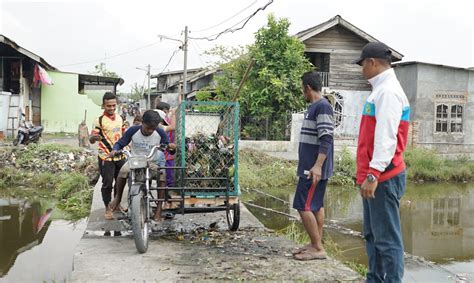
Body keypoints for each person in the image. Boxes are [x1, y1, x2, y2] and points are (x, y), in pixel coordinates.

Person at [352, 42, 410, 282]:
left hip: (383, 178)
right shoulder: (379, 90)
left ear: (372, 63)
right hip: (375, 176)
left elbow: (386, 137)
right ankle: (374, 278)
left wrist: (373, 174)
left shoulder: (388, 92)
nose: (361, 70)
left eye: (362, 65)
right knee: (372, 235)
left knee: (387, 240)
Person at [292, 71, 334, 260]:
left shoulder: (322, 107)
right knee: (315, 205)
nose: (303, 93)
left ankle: (317, 248)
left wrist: (317, 166)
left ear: (308, 88)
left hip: (313, 169)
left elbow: (326, 138)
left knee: (303, 205)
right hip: (312, 167)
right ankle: (315, 243)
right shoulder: (316, 107)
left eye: (303, 89)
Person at [108, 110, 174, 222]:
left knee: (162, 175)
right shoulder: (133, 130)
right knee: (123, 171)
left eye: (153, 128)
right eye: (148, 128)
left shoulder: (160, 132)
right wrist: (115, 150)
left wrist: (171, 147)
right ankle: (118, 198)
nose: (150, 131)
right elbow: (120, 143)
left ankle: (158, 209)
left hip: (152, 162)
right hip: (135, 161)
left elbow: (168, 147)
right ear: (142, 123)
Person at [89, 92, 126, 220]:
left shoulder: (120, 118)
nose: (111, 108)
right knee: (107, 184)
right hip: (106, 157)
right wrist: (93, 137)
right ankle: (107, 207)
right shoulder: (99, 120)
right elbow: (92, 139)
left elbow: (124, 134)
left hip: (121, 156)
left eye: (113, 105)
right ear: (103, 105)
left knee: (120, 183)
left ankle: (116, 205)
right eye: (108, 106)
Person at [155, 101, 176, 187]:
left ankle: (167, 196)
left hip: (168, 154)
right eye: (165, 112)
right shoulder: (158, 124)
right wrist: (173, 113)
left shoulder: (167, 121)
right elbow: (173, 127)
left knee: (168, 177)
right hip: (160, 154)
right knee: (161, 177)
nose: (166, 114)